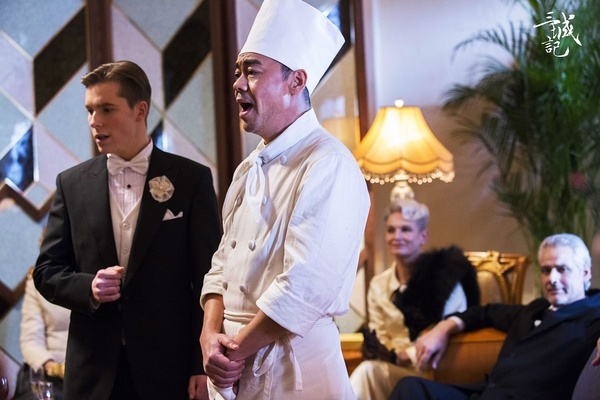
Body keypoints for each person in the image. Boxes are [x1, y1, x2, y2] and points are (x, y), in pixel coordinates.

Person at [199, 0, 371, 399]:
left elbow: (306, 286)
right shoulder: (247, 169)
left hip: (295, 372)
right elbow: (220, 266)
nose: (237, 83)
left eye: (252, 71)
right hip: (231, 367)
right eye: (238, 72)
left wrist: (234, 352)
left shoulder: (328, 163)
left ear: (296, 81)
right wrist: (209, 337)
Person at [33, 60, 221, 400]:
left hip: (168, 370)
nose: (95, 121)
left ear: (140, 110)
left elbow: (211, 277)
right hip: (92, 373)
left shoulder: (191, 179)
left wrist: (200, 363)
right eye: (90, 110)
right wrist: (88, 287)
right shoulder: (71, 184)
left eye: (106, 109)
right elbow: (46, 272)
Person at [390, 233, 600, 400]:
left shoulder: (593, 313)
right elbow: (484, 313)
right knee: (411, 388)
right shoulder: (534, 309)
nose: (552, 279)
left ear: (585, 273)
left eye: (562, 269)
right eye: (546, 270)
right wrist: (443, 328)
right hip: (485, 393)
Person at [349, 198, 480, 400]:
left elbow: (454, 334)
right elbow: (380, 335)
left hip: (436, 372)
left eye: (406, 230)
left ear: (423, 236)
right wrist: (386, 353)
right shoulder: (378, 285)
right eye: (391, 230)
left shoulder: (445, 281)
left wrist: (409, 355)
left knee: (370, 373)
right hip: (392, 368)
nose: (397, 237)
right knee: (367, 371)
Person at [13, 267, 69, 400]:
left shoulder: (102, 276)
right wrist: (53, 367)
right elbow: (30, 340)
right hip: (49, 369)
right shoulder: (39, 278)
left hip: (91, 373)